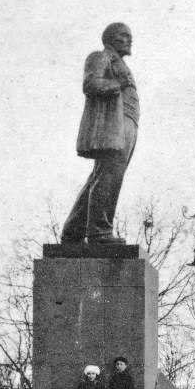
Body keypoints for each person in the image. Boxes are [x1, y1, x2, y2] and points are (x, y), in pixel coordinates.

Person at [60, 23, 139, 245]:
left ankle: (74, 231)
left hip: (128, 122)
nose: (129, 40)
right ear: (110, 40)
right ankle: (99, 232)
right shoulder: (100, 56)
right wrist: (118, 83)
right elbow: (90, 84)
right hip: (114, 124)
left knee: (104, 176)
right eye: (124, 36)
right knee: (108, 176)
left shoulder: (120, 62)